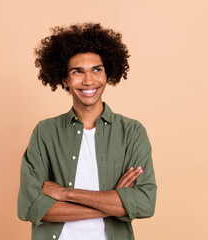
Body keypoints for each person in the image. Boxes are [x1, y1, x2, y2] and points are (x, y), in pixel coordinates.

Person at [17, 23, 157, 240]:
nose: (89, 80)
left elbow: (145, 203)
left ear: (108, 73)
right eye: (77, 72)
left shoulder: (132, 132)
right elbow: (31, 207)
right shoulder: (45, 132)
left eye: (97, 69)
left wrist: (66, 194)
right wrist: (115, 203)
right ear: (65, 79)